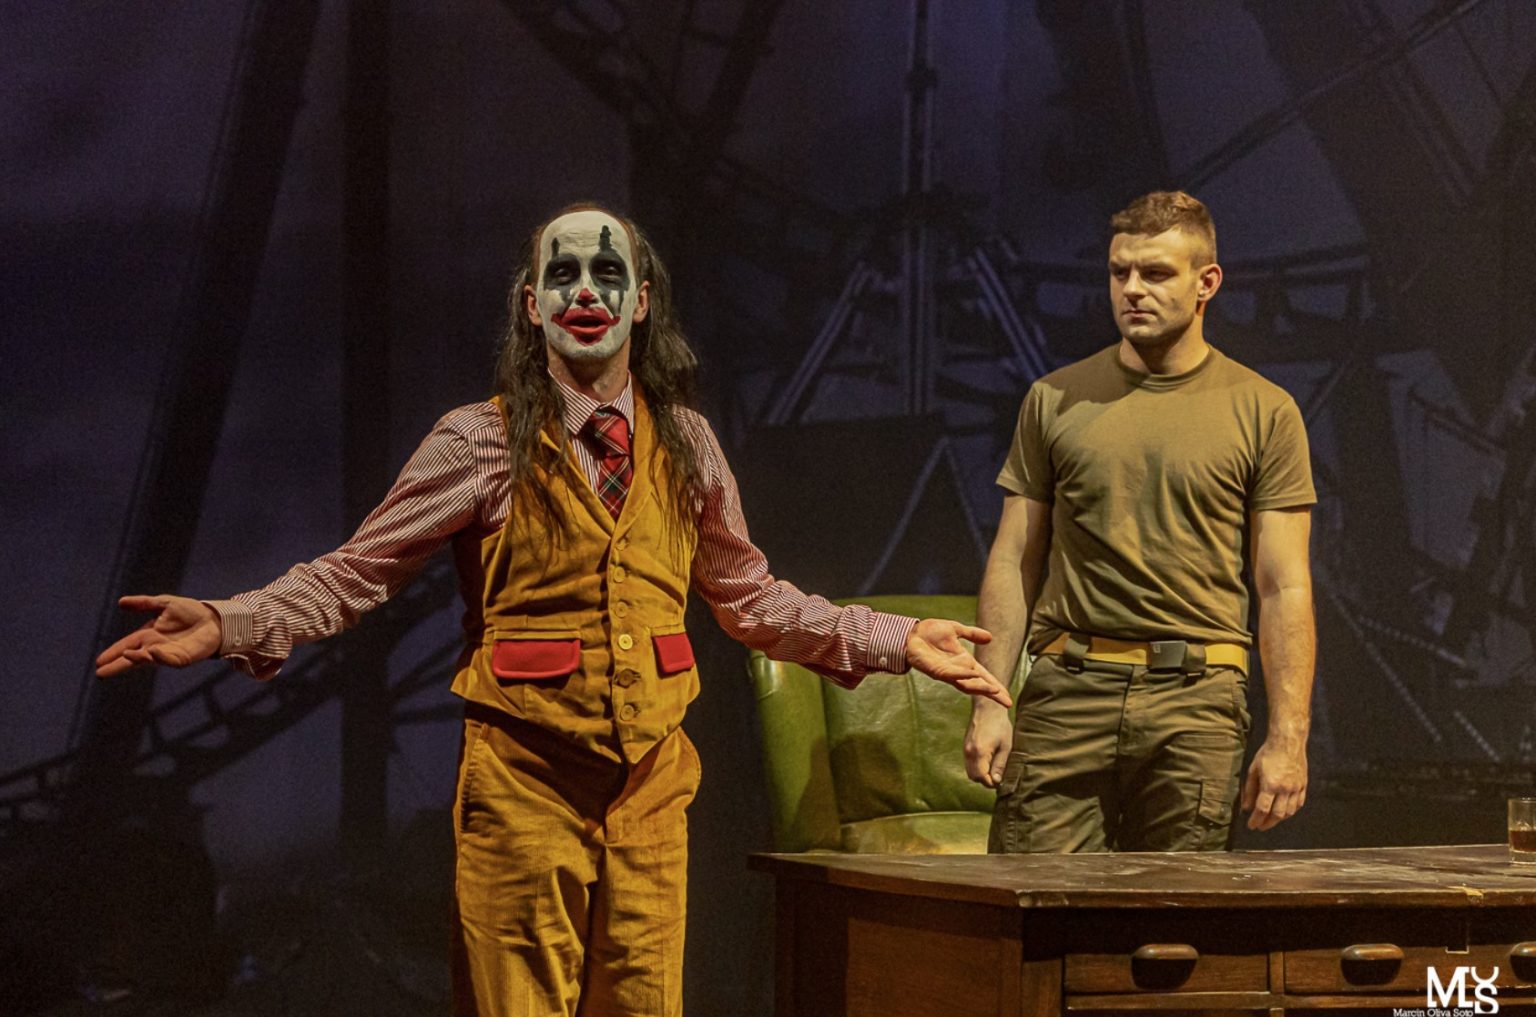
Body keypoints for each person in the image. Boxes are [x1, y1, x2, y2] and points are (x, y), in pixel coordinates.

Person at [95, 204, 1012, 1016]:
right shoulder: (480, 441)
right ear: (530, 305)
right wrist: (234, 620)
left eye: (607, 271)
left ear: (641, 301)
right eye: (561, 273)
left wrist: (898, 638)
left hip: (651, 787)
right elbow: (357, 572)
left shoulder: (687, 442)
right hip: (523, 781)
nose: (585, 290)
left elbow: (751, 597)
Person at [963, 190, 1315, 854]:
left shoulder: (1264, 410)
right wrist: (990, 700)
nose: (1131, 289)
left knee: (1174, 911)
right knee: (1035, 900)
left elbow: (1283, 585)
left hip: (1196, 699)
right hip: (1068, 689)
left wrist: (1288, 737)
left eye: (1155, 273)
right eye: (1119, 271)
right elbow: (1014, 559)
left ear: (1206, 282)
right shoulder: (1054, 398)